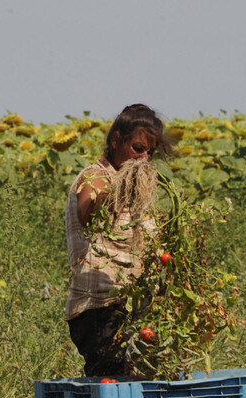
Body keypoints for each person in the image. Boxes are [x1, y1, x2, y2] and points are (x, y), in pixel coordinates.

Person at [65, 104, 170, 377]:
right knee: (112, 385)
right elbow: (87, 207)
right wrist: (107, 195)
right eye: (137, 148)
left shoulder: (136, 186)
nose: (143, 158)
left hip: (133, 306)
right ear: (115, 141)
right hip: (102, 310)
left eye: (150, 152)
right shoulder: (97, 176)